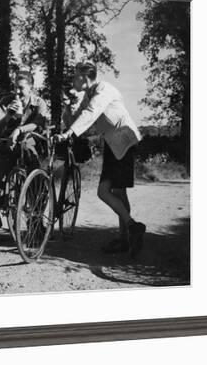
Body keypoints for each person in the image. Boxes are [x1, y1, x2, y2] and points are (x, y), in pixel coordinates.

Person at [59, 62, 146, 258]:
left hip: (124, 140)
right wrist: (67, 107)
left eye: (75, 76)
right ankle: (126, 239)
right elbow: (74, 120)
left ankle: (133, 228)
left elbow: (90, 114)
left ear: (85, 76)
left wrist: (69, 134)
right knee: (119, 193)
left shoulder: (104, 90)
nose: (73, 80)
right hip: (113, 143)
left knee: (104, 192)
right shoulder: (89, 95)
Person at [0, 71, 50, 243]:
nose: (17, 92)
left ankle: (35, 221)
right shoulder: (6, 102)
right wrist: (7, 115)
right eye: (15, 87)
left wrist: (19, 129)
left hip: (28, 146)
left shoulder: (39, 103)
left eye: (21, 88)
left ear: (31, 88)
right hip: (7, 148)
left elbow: (37, 123)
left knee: (37, 183)